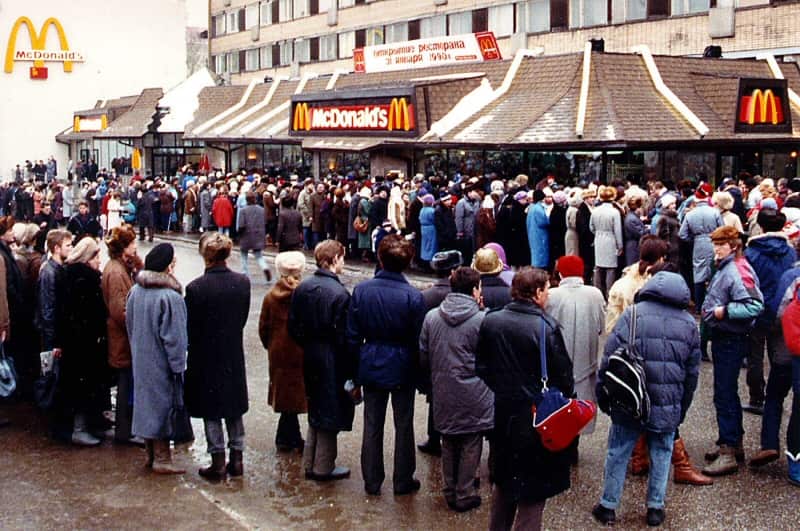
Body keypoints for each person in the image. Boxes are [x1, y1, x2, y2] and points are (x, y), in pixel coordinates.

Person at [593, 271, 701, 527]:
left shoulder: (632, 315)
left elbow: (609, 359)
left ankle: (608, 505)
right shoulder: (688, 323)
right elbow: (692, 374)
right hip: (667, 402)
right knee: (662, 452)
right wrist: (681, 409)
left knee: (618, 451)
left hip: (630, 401)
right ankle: (655, 507)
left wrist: (603, 396)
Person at [477, 267, 574, 531]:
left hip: (502, 412)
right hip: (535, 418)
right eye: (546, 289)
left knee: (504, 482)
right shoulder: (547, 328)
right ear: (538, 293)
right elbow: (564, 378)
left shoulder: (492, 320)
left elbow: (481, 366)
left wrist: (502, 387)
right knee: (533, 492)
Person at [347, 234, 427, 495]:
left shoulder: (362, 291)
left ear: (380, 258)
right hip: (403, 361)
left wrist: (353, 372)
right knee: (403, 423)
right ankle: (402, 479)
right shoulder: (413, 296)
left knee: (372, 422)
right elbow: (418, 340)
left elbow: (352, 336)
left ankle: (372, 479)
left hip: (371, 359)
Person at [419, 267, 493, 512]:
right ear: (474, 290)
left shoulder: (432, 317)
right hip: (475, 390)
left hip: (443, 387)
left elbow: (424, 354)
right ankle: (464, 492)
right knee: (472, 441)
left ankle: (450, 489)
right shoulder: (483, 319)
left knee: (448, 440)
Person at [185, 233, 251, 481]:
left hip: (206, 354)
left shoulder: (195, 288)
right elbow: (242, 319)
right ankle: (237, 458)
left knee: (211, 409)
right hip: (232, 351)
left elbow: (191, 327)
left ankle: (218, 461)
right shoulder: (242, 283)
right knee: (234, 407)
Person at [289, 240, 355, 481]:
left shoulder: (303, 287)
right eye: (342, 258)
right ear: (334, 259)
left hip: (310, 353)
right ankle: (323, 466)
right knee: (330, 410)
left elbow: (293, 327)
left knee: (316, 406)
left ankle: (311, 462)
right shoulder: (340, 294)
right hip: (331, 357)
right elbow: (345, 338)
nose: (344, 263)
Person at [701, 226, 764, 476]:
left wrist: (724, 311)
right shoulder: (727, 267)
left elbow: (755, 305)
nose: (716, 249)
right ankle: (732, 442)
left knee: (725, 393)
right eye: (715, 244)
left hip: (731, 336)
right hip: (724, 335)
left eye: (721, 245)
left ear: (734, 245)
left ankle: (729, 450)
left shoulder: (738, 270)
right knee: (725, 392)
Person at [126, 243, 188, 474]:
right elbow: (175, 338)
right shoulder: (170, 297)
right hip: (162, 362)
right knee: (163, 406)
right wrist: (178, 365)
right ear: (168, 266)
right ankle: (162, 458)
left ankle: (150, 453)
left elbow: (129, 324)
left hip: (141, 357)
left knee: (146, 404)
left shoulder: (136, 291)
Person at [545, 255, 605, 460]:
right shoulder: (595, 295)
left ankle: (560, 445)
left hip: (558, 360)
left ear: (560, 273)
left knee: (559, 403)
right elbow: (600, 327)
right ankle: (574, 447)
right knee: (580, 402)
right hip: (586, 359)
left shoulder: (552, 295)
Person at [743, 209, 796, 415]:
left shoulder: (751, 253)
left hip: (758, 308)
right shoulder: (790, 251)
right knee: (779, 355)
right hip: (783, 307)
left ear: (761, 226)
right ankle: (777, 395)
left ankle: (757, 397)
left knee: (755, 355)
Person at [60, 237, 109, 446]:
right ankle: (78, 430)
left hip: (81, 342)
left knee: (83, 386)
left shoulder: (73, 275)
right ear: (87, 257)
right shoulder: (83, 280)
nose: (99, 260)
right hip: (82, 344)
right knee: (81, 387)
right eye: (96, 256)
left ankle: (84, 426)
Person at [259, 251, 307, 452]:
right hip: (299, 350)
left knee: (284, 393)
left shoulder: (271, 297)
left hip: (279, 350)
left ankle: (287, 436)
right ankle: (289, 437)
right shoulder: (305, 295)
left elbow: (263, 327)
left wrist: (270, 344)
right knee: (296, 393)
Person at [418, 249, 463, 456]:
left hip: (433, 356)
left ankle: (434, 437)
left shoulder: (425, 296)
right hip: (458, 355)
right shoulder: (461, 294)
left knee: (434, 398)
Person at [101, 225, 143, 446]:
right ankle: (125, 431)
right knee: (126, 384)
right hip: (121, 338)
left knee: (127, 383)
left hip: (123, 337)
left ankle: (126, 429)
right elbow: (120, 312)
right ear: (124, 247)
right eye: (133, 243)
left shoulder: (120, 267)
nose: (136, 247)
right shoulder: (116, 272)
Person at [679, 183, 723, 307]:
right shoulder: (715, 212)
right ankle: (714, 303)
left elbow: (682, 235)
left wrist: (693, 239)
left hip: (698, 244)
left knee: (698, 274)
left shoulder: (690, 214)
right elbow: (723, 228)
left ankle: (699, 306)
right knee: (715, 271)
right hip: (714, 243)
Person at [590, 186, 623, 298]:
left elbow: (591, 227)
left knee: (598, 267)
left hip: (599, 239)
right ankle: (610, 295)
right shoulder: (615, 212)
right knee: (610, 269)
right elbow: (617, 230)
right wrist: (620, 246)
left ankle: (597, 293)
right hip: (610, 240)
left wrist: (598, 233)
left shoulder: (595, 210)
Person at [238, 191, 271, 282]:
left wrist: (239, 234)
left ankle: (245, 274)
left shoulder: (243, 210)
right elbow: (265, 222)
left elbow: (241, 225)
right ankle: (264, 267)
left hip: (246, 235)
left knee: (244, 255)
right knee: (258, 255)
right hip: (258, 235)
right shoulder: (261, 209)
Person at [418, 194, 437, 270]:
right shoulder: (432, 211)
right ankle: (430, 265)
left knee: (425, 246)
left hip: (423, 229)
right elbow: (434, 220)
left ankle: (424, 263)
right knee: (431, 246)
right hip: (431, 229)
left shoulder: (422, 210)